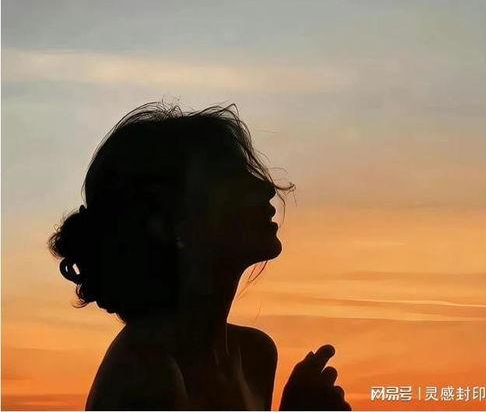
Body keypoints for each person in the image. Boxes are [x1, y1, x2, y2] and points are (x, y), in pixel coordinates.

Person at [49, 103, 352, 411]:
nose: (264, 187)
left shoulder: (255, 355)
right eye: (230, 178)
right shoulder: (145, 376)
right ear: (168, 222)